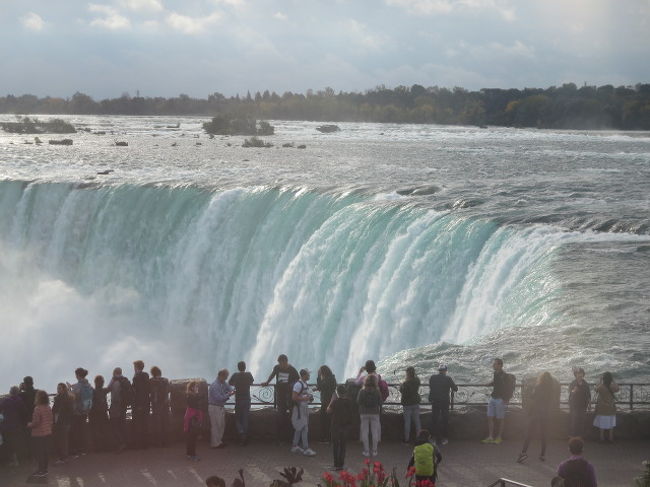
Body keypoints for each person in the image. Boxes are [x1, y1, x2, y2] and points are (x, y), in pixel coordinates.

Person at [517, 372, 555, 463]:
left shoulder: (538, 387)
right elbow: (550, 401)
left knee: (529, 434)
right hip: (545, 414)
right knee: (544, 434)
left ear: (541, 378)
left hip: (536, 413)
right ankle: (542, 455)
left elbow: (532, 397)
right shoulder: (551, 389)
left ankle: (523, 453)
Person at [261, 354, 299, 442]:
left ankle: (292, 437)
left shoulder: (292, 369)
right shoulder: (277, 367)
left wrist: (291, 386)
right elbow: (272, 375)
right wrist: (267, 382)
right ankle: (281, 437)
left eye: (281, 363)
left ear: (285, 361)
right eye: (279, 363)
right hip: (280, 395)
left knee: (292, 415)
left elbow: (297, 380)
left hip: (289, 396)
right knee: (281, 415)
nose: (280, 364)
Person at [481, 358, 513, 444]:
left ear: (500, 365)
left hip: (500, 400)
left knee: (500, 419)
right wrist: (489, 384)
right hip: (493, 398)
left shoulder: (505, 376)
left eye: (495, 364)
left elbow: (510, 389)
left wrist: (506, 400)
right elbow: (495, 382)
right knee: (489, 417)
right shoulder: (495, 373)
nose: (493, 365)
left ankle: (499, 437)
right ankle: (491, 436)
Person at [428, 363, 458, 445]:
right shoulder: (448, 378)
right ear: (445, 371)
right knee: (445, 419)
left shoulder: (432, 378)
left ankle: (433, 437)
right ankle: (445, 438)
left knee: (434, 419)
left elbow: (431, 388)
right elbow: (455, 389)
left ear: (439, 371)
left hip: (435, 401)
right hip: (445, 402)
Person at [327, 384, 354, 471]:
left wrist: (332, 400)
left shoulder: (335, 402)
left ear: (337, 392)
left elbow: (328, 411)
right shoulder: (349, 401)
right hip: (346, 426)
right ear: (345, 392)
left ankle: (336, 465)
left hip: (336, 426)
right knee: (343, 445)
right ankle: (341, 464)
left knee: (336, 445)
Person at [28, 390, 53, 479]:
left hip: (38, 434)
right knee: (45, 452)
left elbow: (36, 423)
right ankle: (45, 470)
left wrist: (29, 424)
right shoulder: (48, 407)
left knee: (39, 453)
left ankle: (41, 470)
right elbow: (51, 419)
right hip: (47, 432)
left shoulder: (37, 409)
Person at [290, 369, 316, 456]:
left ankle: (295, 446)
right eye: (308, 374)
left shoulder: (304, 384)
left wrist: (309, 398)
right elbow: (294, 397)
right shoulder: (298, 384)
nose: (309, 376)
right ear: (304, 375)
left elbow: (302, 395)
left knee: (299, 427)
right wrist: (305, 398)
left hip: (303, 408)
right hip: (299, 409)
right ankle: (306, 448)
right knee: (304, 428)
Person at [0, 386, 27, 466]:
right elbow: (24, 412)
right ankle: (19, 460)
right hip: (17, 425)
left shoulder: (6, 400)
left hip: (7, 426)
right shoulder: (20, 400)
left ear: (10, 392)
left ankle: (14, 461)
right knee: (17, 443)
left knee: (9, 444)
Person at [68, 367, 92, 456]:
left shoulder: (78, 386)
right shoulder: (88, 384)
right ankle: (84, 449)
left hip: (78, 411)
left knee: (76, 431)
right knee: (82, 430)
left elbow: (75, 397)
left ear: (77, 375)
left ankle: (78, 449)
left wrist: (69, 390)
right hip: (85, 410)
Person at [229, 361, 254, 445]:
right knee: (245, 418)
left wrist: (236, 385)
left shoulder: (235, 375)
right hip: (247, 399)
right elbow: (251, 382)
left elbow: (230, 382)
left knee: (237, 418)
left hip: (238, 399)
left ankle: (241, 432)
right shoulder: (248, 374)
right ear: (245, 367)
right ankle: (245, 436)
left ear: (238, 367)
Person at [107, 367, 131, 452]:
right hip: (124, 405)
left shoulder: (115, 381)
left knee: (114, 425)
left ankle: (120, 444)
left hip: (117, 405)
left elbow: (108, 389)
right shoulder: (125, 380)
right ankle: (125, 443)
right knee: (122, 424)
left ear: (114, 373)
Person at [208, 369, 234, 449]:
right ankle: (215, 444)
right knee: (216, 426)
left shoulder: (223, 383)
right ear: (220, 376)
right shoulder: (215, 385)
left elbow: (230, 388)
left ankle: (219, 442)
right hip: (214, 407)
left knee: (221, 425)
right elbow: (219, 398)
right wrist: (229, 394)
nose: (226, 379)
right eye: (225, 377)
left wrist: (232, 391)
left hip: (220, 407)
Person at [357, 375, 382, 457]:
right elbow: (380, 402)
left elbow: (358, 401)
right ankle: (374, 451)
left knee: (365, 432)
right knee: (375, 432)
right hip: (375, 413)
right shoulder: (377, 391)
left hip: (364, 413)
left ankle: (366, 451)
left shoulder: (362, 391)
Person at [593, 371, 619, 442]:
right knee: (611, 424)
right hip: (610, 408)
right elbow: (617, 388)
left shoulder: (601, 387)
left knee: (602, 424)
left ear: (604, 379)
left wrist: (600, 380)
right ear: (610, 379)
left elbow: (595, 389)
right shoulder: (612, 386)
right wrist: (613, 380)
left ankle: (602, 438)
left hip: (602, 408)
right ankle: (611, 438)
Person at [52, 383, 73, 464]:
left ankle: (63, 458)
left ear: (64, 389)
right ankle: (64, 457)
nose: (58, 389)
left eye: (59, 388)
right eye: (58, 388)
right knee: (63, 440)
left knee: (62, 440)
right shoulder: (68, 398)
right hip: (65, 421)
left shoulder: (60, 398)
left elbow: (54, 410)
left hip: (61, 421)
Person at [89, 375, 112, 452]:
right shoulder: (104, 390)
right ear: (102, 383)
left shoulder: (93, 391)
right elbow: (110, 387)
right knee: (105, 430)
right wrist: (113, 378)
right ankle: (107, 447)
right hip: (104, 412)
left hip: (95, 413)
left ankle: (99, 448)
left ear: (95, 382)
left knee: (97, 430)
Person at [149, 366, 170, 447]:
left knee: (157, 424)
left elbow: (149, 391)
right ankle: (167, 442)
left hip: (156, 404)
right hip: (165, 403)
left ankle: (158, 442)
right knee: (165, 422)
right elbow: (169, 390)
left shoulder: (151, 381)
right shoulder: (165, 380)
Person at [400, 366, 421, 443]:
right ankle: (419, 438)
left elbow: (403, 391)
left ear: (408, 374)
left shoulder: (405, 383)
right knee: (417, 421)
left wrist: (402, 385)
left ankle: (407, 439)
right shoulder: (417, 381)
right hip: (415, 403)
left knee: (407, 422)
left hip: (407, 405)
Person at [132, 360, 150, 449]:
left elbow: (137, 391)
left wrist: (139, 404)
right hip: (146, 403)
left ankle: (139, 444)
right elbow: (147, 390)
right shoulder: (146, 375)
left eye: (134, 367)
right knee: (145, 424)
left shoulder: (136, 377)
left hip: (139, 403)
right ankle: (146, 444)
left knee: (139, 424)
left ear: (136, 367)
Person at [316, 365, 337, 443]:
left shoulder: (326, 379)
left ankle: (325, 438)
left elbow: (319, 387)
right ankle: (330, 438)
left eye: (320, 372)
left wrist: (318, 376)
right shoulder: (332, 378)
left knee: (324, 421)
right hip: (332, 402)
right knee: (330, 421)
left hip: (326, 402)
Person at [568, 367, 591, 437]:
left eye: (581, 373)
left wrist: (589, 405)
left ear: (583, 374)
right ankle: (573, 436)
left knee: (582, 422)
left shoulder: (586, 384)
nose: (579, 375)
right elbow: (570, 392)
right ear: (575, 375)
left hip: (583, 406)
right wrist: (573, 391)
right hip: (574, 406)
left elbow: (588, 395)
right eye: (578, 373)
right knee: (574, 422)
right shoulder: (573, 383)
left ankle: (580, 437)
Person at [184, 381, 203, 461]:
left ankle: (189, 454)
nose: (197, 388)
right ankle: (192, 455)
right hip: (192, 418)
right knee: (192, 438)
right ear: (192, 388)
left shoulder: (190, 396)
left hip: (190, 418)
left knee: (191, 437)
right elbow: (196, 404)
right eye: (196, 387)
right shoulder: (192, 397)